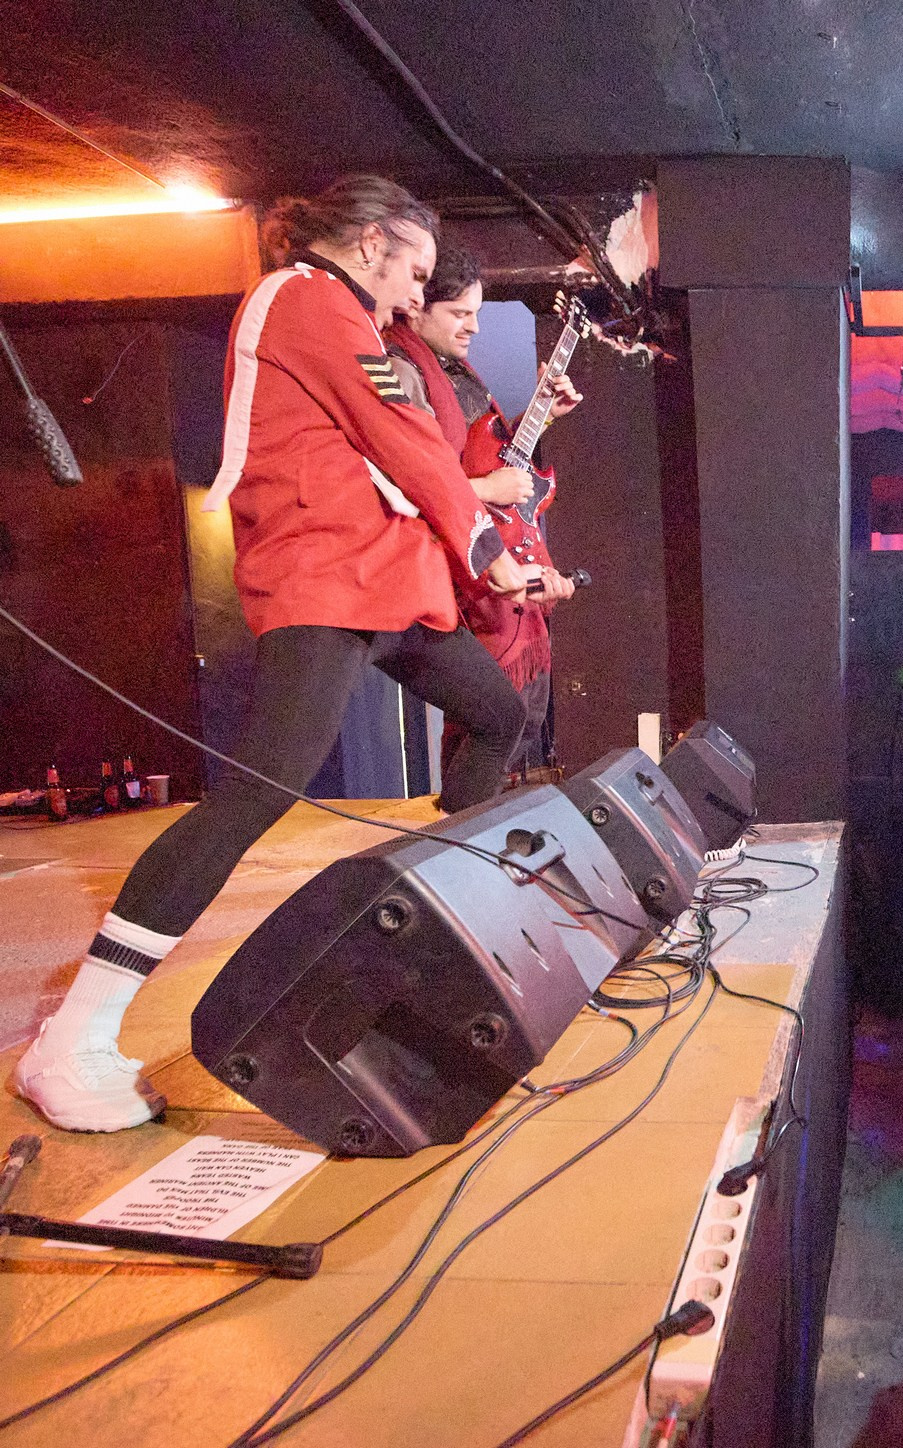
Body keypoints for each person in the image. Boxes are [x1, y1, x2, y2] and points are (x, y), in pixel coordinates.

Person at [12, 175, 530, 1132]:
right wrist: (490, 552)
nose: (419, 292)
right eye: (415, 270)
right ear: (370, 242)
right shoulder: (306, 298)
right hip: (328, 577)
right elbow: (408, 445)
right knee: (260, 789)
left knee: (500, 714)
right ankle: (74, 1036)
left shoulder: (351, 318)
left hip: (385, 585)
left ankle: (450, 905)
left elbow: (411, 456)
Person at [384, 243, 581, 780]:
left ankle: (493, 834)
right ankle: (465, 837)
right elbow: (404, 483)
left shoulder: (452, 369)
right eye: (459, 313)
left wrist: (541, 419)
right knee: (493, 719)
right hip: (439, 572)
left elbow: (475, 455)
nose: (473, 327)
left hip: (481, 557)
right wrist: (487, 488)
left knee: (510, 717)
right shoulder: (401, 371)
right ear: (418, 306)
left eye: (476, 312)